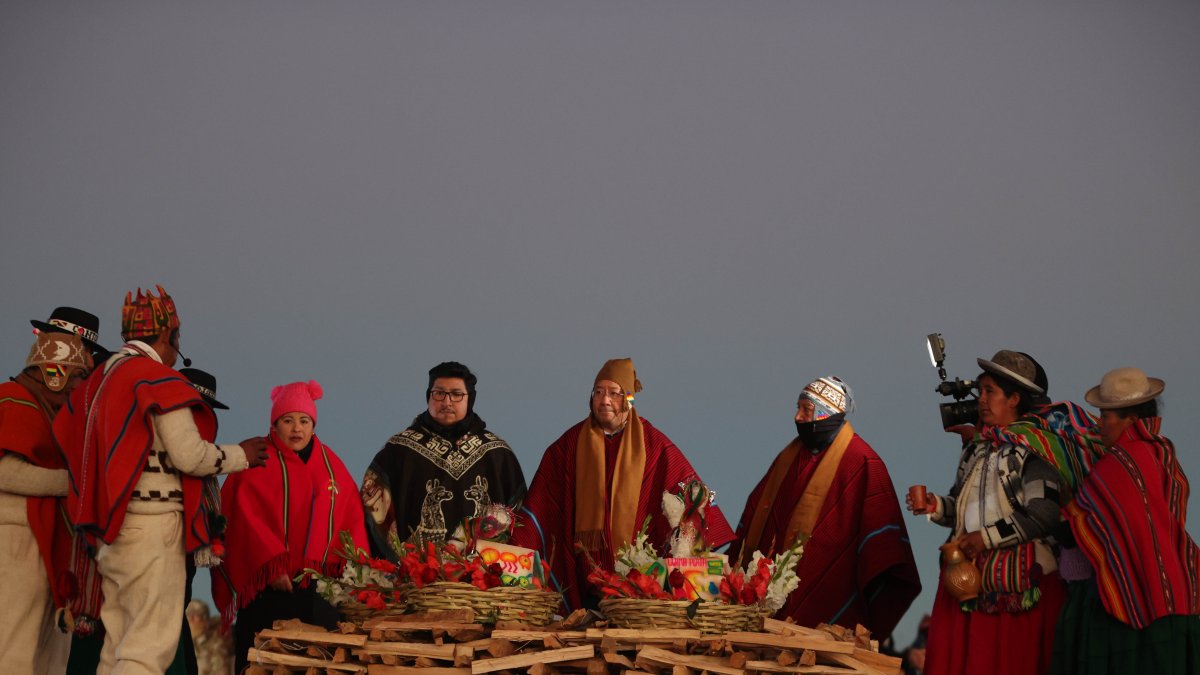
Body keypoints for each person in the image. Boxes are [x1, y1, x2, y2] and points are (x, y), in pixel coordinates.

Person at [54, 286, 269, 674]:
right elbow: (190, 455)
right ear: (169, 336)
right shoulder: (156, 380)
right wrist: (242, 455)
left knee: (117, 643)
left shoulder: (95, 382)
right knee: (148, 648)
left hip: (109, 531)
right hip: (153, 527)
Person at [513, 358, 736, 610]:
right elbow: (544, 500)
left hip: (638, 582)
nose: (604, 400)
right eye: (598, 392)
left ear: (628, 400)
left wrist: (696, 535)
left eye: (613, 393)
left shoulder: (653, 444)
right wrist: (518, 544)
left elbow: (690, 491)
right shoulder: (570, 444)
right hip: (582, 577)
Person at [911, 350, 1081, 675]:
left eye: (991, 392)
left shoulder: (1035, 451)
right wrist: (935, 506)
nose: (983, 400)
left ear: (1015, 398)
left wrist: (985, 538)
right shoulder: (977, 449)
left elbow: (1043, 514)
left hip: (1018, 590)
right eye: (982, 391)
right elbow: (962, 507)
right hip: (967, 584)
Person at [727, 376, 920, 637]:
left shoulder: (862, 461)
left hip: (833, 592)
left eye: (806, 410)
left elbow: (881, 542)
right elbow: (758, 510)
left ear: (826, 414)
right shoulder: (790, 457)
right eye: (798, 408)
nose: (797, 417)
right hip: (771, 598)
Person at [1050, 367, 1200, 674]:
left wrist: (1067, 504)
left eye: (1106, 416)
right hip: (1179, 591)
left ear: (1129, 418)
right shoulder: (1163, 453)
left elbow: (1082, 530)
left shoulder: (1118, 463)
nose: (1100, 424)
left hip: (1134, 602)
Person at [214, 379, 368, 674]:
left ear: (313, 425)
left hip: (317, 590)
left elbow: (351, 518)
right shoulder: (255, 461)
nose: (297, 429)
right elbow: (243, 518)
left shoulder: (332, 466)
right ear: (275, 424)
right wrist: (271, 564)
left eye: (304, 420)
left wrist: (353, 571)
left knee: (316, 664)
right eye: (288, 420)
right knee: (261, 664)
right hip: (267, 590)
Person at [361, 361, 526, 557]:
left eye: (456, 394)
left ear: (470, 399)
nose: (447, 402)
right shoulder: (398, 451)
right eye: (439, 393)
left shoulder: (498, 455)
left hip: (483, 580)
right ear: (428, 396)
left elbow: (520, 518)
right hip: (414, 579)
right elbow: (373, 510)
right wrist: (397, 564)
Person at [0, 328, 90, 673]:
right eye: (77, 375)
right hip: (16, 541)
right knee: (15, 649)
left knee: (51, 659)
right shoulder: (14, 399)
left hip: (49, 541)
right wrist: (76, 484)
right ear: (56, 371)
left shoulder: (52, 412)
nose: (78, 387)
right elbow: (6, 473)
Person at [185, 600, 232, 675]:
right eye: (188, 614)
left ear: (206, 620)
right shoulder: (182, 645)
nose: (190, 619)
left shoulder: (216, 646)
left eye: (196, 615)